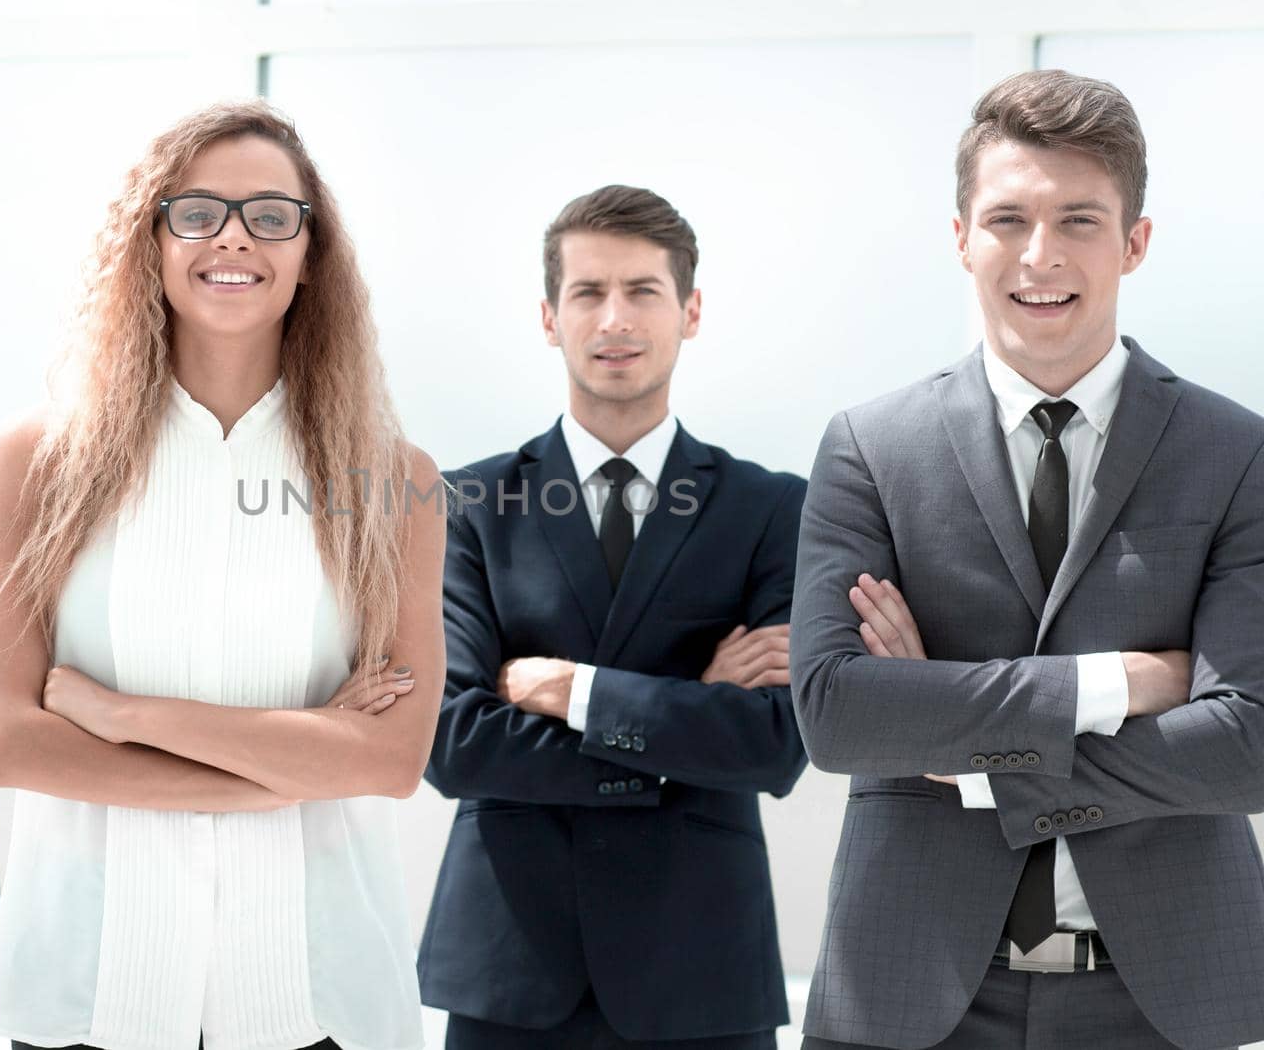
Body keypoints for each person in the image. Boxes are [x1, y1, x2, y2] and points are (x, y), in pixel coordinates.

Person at [791, 69, 1264, 1050]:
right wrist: (1117, 682)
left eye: (1077, 220)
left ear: (1133, 242)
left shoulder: (1235, 452)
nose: (1038, 256)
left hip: (1161, 999)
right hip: (906, 991)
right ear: (959, 237)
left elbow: (1246, 745)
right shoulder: (869, 449)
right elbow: (837, 714)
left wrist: (954, 742)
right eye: (1006, 218)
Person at [0, 100, 445, 1050]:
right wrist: (292, 763)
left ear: (313, 254)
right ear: (151, 241)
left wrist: (123, 715)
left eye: (272, 215)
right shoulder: (38, 457)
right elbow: (8, 743)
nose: (234, 237)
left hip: (314, 997)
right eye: (198, 212)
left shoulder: (395, 480)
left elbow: (391, 760)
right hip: (84, 991)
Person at [420, 184, 809, 1049]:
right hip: (510, 972)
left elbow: (776, 744)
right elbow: (452, 741)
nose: (615, 318)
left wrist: (574, 690)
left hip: (700, 970)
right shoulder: (471, 504)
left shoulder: (770, 508)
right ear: (550, 317)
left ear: (691, 310)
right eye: (589, 292)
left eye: (642, 291)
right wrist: (682, 715)